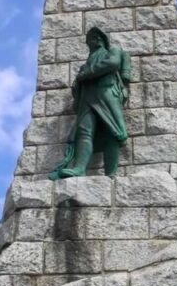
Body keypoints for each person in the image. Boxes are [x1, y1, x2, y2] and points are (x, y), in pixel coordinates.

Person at [49, 26, 131, 179]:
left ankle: (111, 174)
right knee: (84, 132)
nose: (92, 42)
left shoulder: (113, 52)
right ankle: (79, 168)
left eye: (95, 38)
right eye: (90, 40)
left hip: (106, 95)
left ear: (101, 40)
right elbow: (78, 86)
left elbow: (112, 63)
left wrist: (86, 74)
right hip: (87, 99)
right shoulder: (85, 64)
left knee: (113, 132)